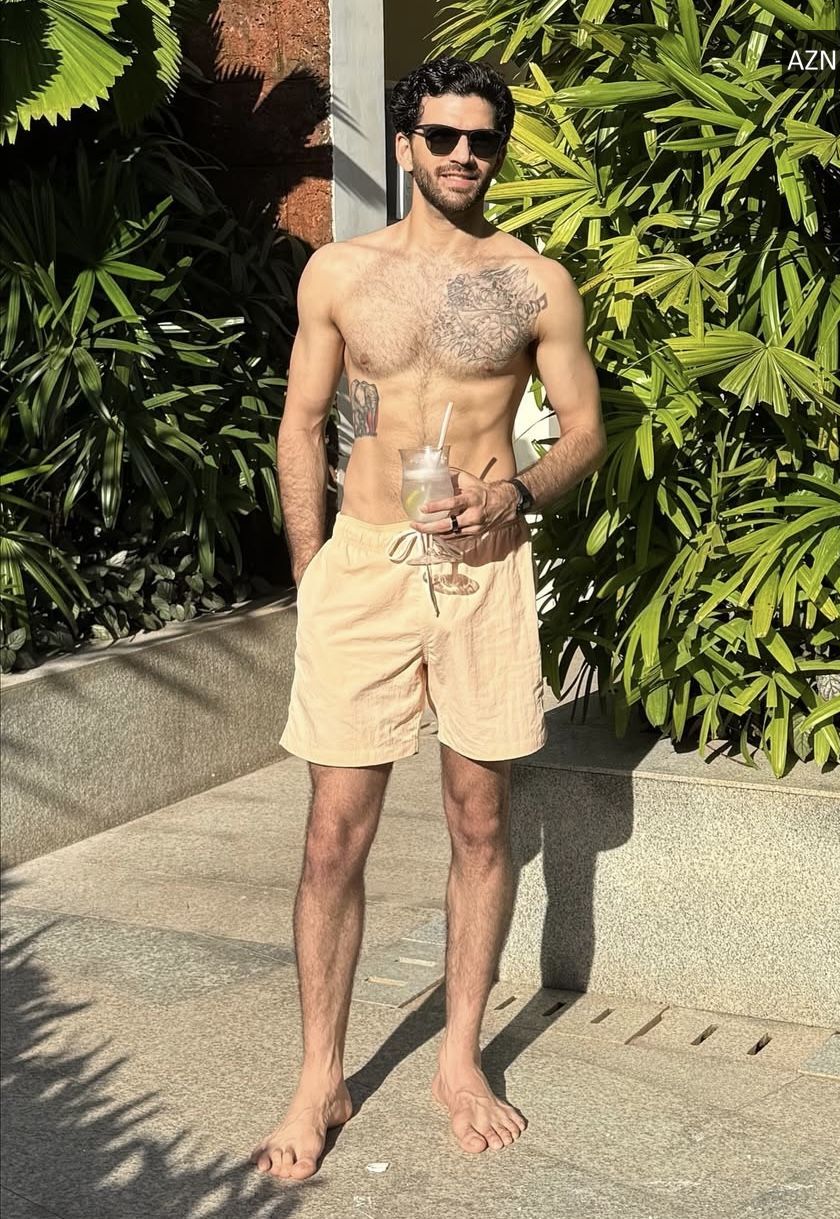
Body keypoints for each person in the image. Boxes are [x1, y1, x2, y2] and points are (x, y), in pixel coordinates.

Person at [250, 55, 605, 1179]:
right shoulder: (339, 273)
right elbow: (301, 423)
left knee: (480, 821)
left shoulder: (534, 282)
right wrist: (312, 569)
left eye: (482, 139)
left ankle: (459, 1058)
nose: (463, 155)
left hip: (482, 567)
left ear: (498, 151)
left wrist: (518, 492)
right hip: (362, 565)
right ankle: (319, 1072)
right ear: (406, 145)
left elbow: (585, 432)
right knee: (332, 834)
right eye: (442, 136)